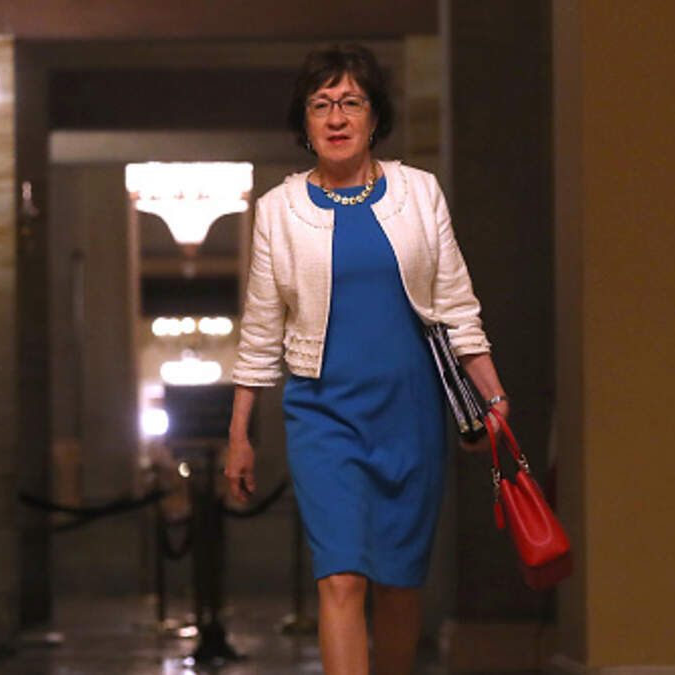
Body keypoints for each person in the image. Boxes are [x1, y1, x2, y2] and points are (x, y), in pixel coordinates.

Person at [225, 44, 508, 675]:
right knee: (341, 578)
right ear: (304, 122)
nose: (336, 117)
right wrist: (240, 434)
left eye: (351, 102)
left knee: (399, 585)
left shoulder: (419, 193)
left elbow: (456, 306)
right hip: (322, 416)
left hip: (410, 413)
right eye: (320, 104)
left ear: (374, 117)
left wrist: (491, 394)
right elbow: (261, 330)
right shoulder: (278, 210)